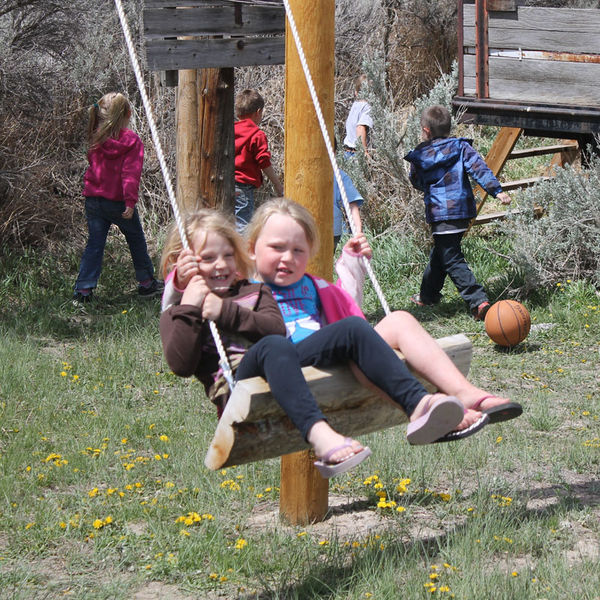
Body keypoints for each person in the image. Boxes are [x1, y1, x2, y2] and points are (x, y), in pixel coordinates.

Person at [245, 198, 494, 447]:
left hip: (323, 353)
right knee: (351, 329)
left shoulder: (315, 287)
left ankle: (464, 393)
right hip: (278, 362)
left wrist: (353, 262)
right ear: (251, 249)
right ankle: (419, 404)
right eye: (277, 247)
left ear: (309, 252)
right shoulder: (243, 293)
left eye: (298, 250)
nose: (287, 258)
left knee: (398, 320)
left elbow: (344, 312)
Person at [159, 210, 372, 478]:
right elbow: (180, 363)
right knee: (275, 345)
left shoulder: (252, 291)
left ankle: (419, 403)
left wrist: (352, 264)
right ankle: (321, 436)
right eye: (208, 258)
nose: (222, 265)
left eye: (228, 255)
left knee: (281, 342)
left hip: (281, 370)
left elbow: (278, 327)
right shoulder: (183, 310)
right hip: (240, 390)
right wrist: (186, 297)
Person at [404, 104, 512, 320]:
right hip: (462, 211)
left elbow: (416, 181)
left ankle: (478, 300)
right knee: (443, 252)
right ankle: (428, 295)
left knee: (451, 258)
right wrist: (496, 191)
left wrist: (426, 182)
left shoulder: (419, 155)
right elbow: (479, 168)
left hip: (440, 213)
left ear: (426, 130)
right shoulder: (461, 147)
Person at [73, 92, 163, 303]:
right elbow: (130, 175)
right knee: (136, 239)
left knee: (95, 243)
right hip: (119, 202)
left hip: (94, 200)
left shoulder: (96, 136)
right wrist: (130, 202)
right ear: (128, 114)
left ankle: (83, 289)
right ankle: (146, 283)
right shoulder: (131, 141)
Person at [234, 89, 284, 231]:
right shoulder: (257, 134)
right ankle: (243, 253)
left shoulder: (230, 131)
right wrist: (277, 184)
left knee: (228, 224)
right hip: (243, 187)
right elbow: (264, 162)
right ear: (258, 112)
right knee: (242, 226)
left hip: (226, 184)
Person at [343, 74, 373, 157]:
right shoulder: (367, 108)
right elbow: (360, 128)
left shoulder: (355, 105)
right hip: (356, 154)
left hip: (347, 151)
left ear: (356, 93)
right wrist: (364, 151)